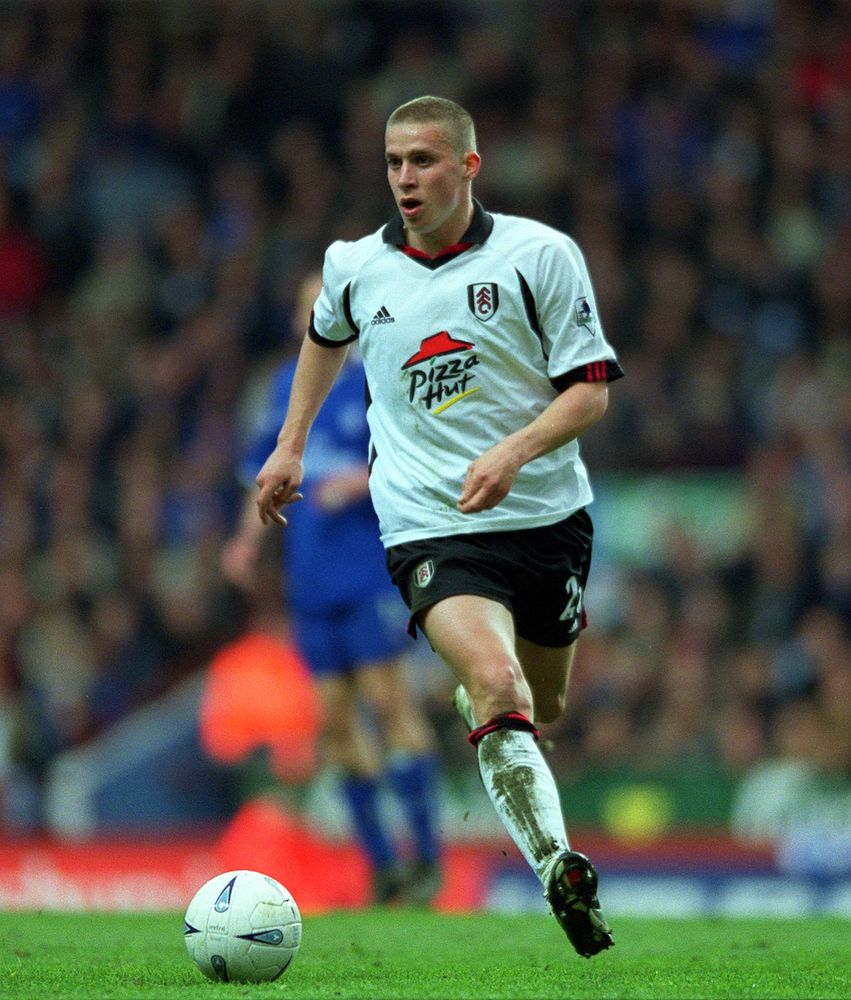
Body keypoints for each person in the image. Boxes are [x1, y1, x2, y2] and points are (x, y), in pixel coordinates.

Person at [255, 96, 622, 957]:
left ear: (469, 166)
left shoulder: (541, 255)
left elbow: (592, 390)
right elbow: (323, 336)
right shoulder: (354, 265)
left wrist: (515, 451)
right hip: (431, 520)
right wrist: (290, 446)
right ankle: (558, 868)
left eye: (423, 160)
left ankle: (494, 708)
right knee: (501, 688)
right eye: (393, 163)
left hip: (545, 515)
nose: (405, 179)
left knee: (547, 699)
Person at [224, 270, 443, 907]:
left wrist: (360, 481)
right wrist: (245, 541)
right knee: (336, 719)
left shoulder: (379, 382)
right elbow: (261, 472)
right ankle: (384, 868)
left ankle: (427, 856)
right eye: (305, 307)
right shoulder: (281, 390)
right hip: (310, 577)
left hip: (368, 569)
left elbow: (419, 468)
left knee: (388, 701)